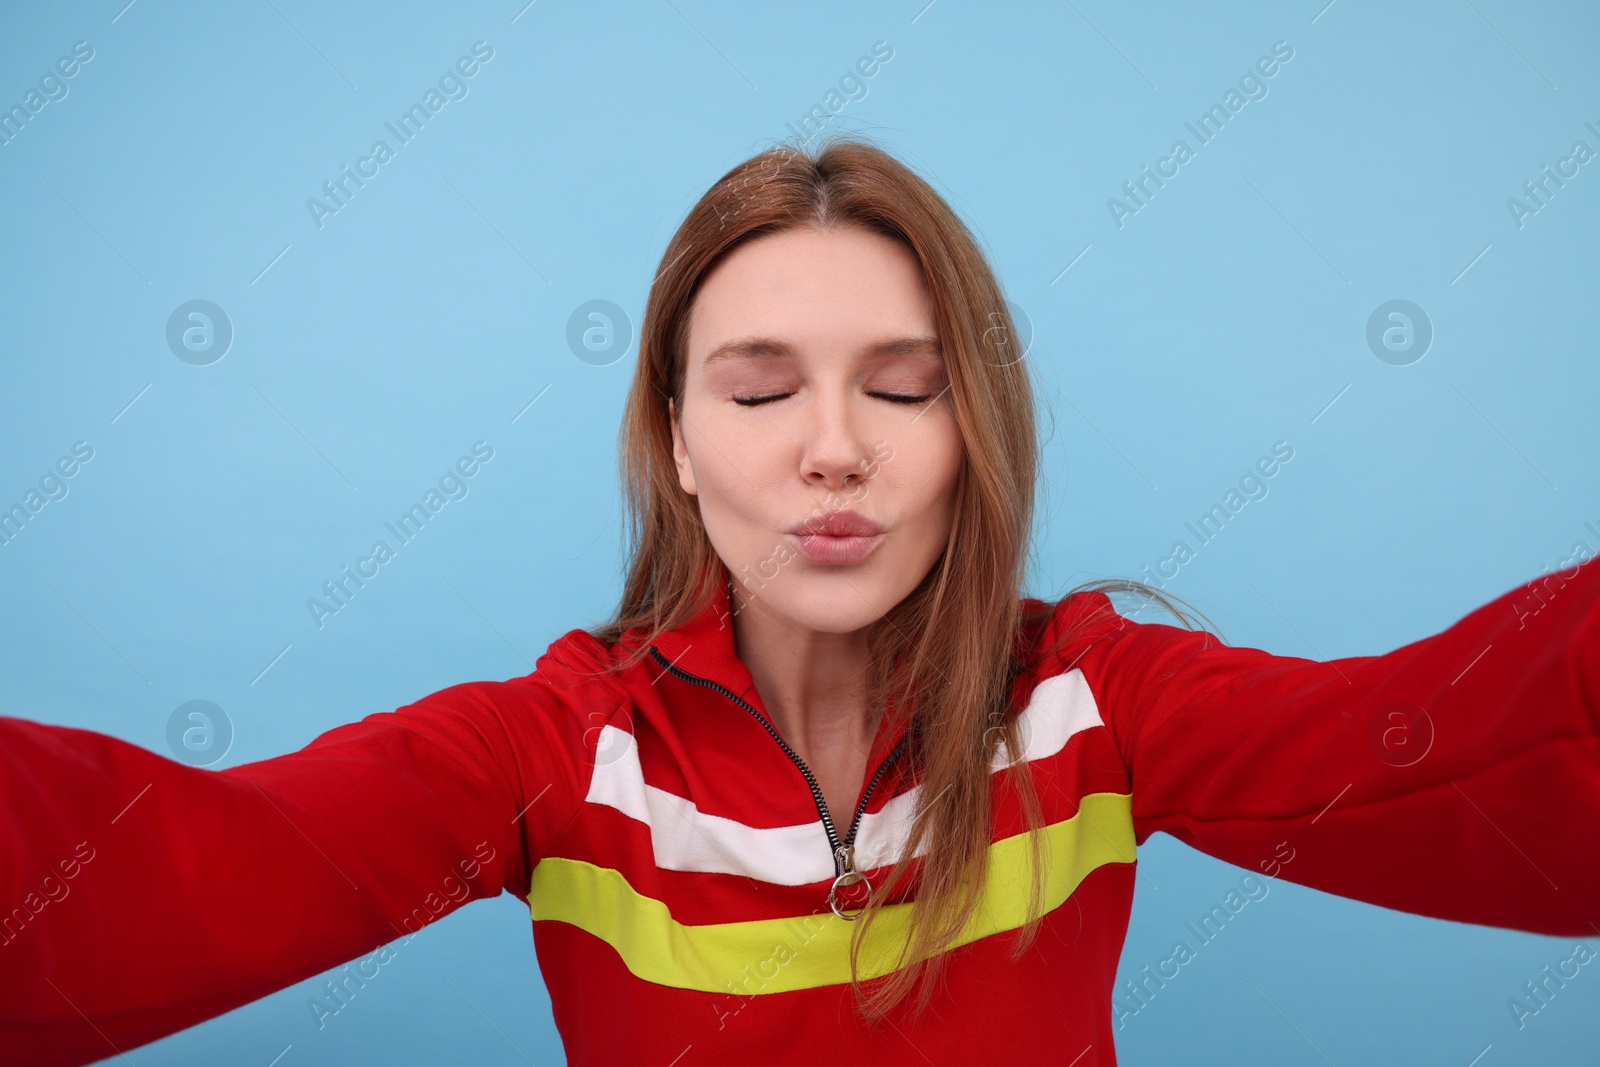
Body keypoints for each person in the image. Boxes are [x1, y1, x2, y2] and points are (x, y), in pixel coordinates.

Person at [2, 135, 1596, 1067]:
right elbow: (168, 872)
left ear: (973, 433)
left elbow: (1474, 744)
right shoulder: (560, 758)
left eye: (902, 390)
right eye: (760, 395)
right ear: (677, 445)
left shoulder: (1100, 707)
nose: (835, 451)